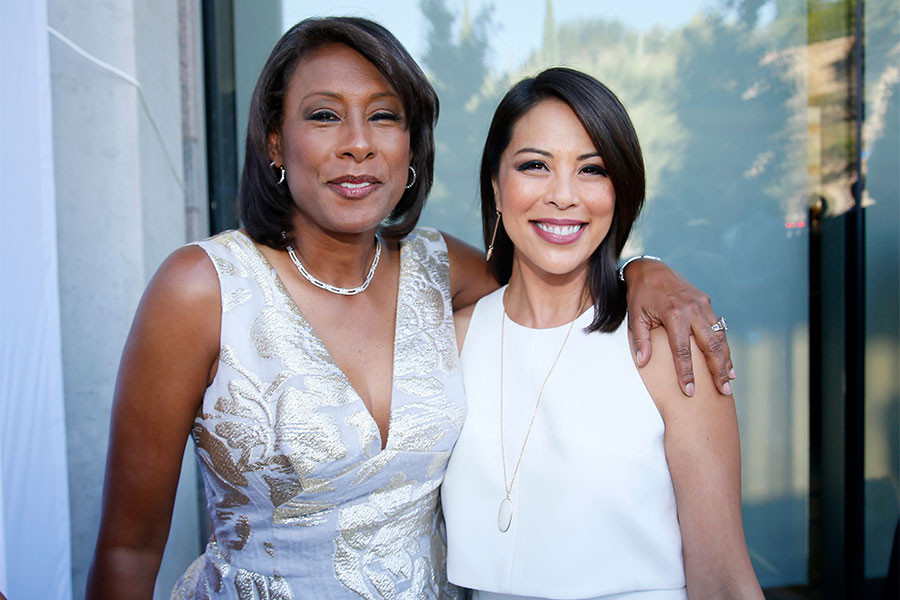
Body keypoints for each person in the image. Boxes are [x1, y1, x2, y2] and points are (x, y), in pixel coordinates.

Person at [86, 18, 734, 600]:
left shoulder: (439, 270)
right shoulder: (202, 290)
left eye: (385, 116)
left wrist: (644, 273)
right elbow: (128, 547)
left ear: (411, 148)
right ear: (274, 143)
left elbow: (552, 277)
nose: (358, 144)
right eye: (322, 115)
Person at [441, 68, 761, 599]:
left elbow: (725, 578)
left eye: (591, 169)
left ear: (620, 190)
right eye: (535, 165)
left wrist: (643, 266)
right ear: (497, 187)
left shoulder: (666, 346)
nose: (564, 196)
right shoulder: (451, 344)